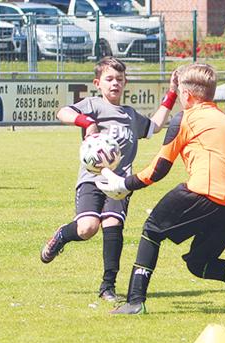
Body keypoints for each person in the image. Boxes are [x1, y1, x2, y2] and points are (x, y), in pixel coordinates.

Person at [97, 63, 225, 315]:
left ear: (186, 95)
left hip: (204, 191)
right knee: (199, 263)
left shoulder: (185, 118)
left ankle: (135, 301)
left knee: (152, 229)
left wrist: (124, 185)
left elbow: (159, 169)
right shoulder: (224, 118)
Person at [40, 57, 175, 302]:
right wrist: (87, 122)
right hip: (91, 180)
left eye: (120, 80)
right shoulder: (93, 105)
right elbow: (62, 112)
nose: (115, 84)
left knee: (113, 224)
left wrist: (172, 95)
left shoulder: (130, 115)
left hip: (118, 183)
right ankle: (62, 235)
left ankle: (107, 286)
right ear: (98, 83)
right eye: (109, 79)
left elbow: (154, 126)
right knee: (87, 228)